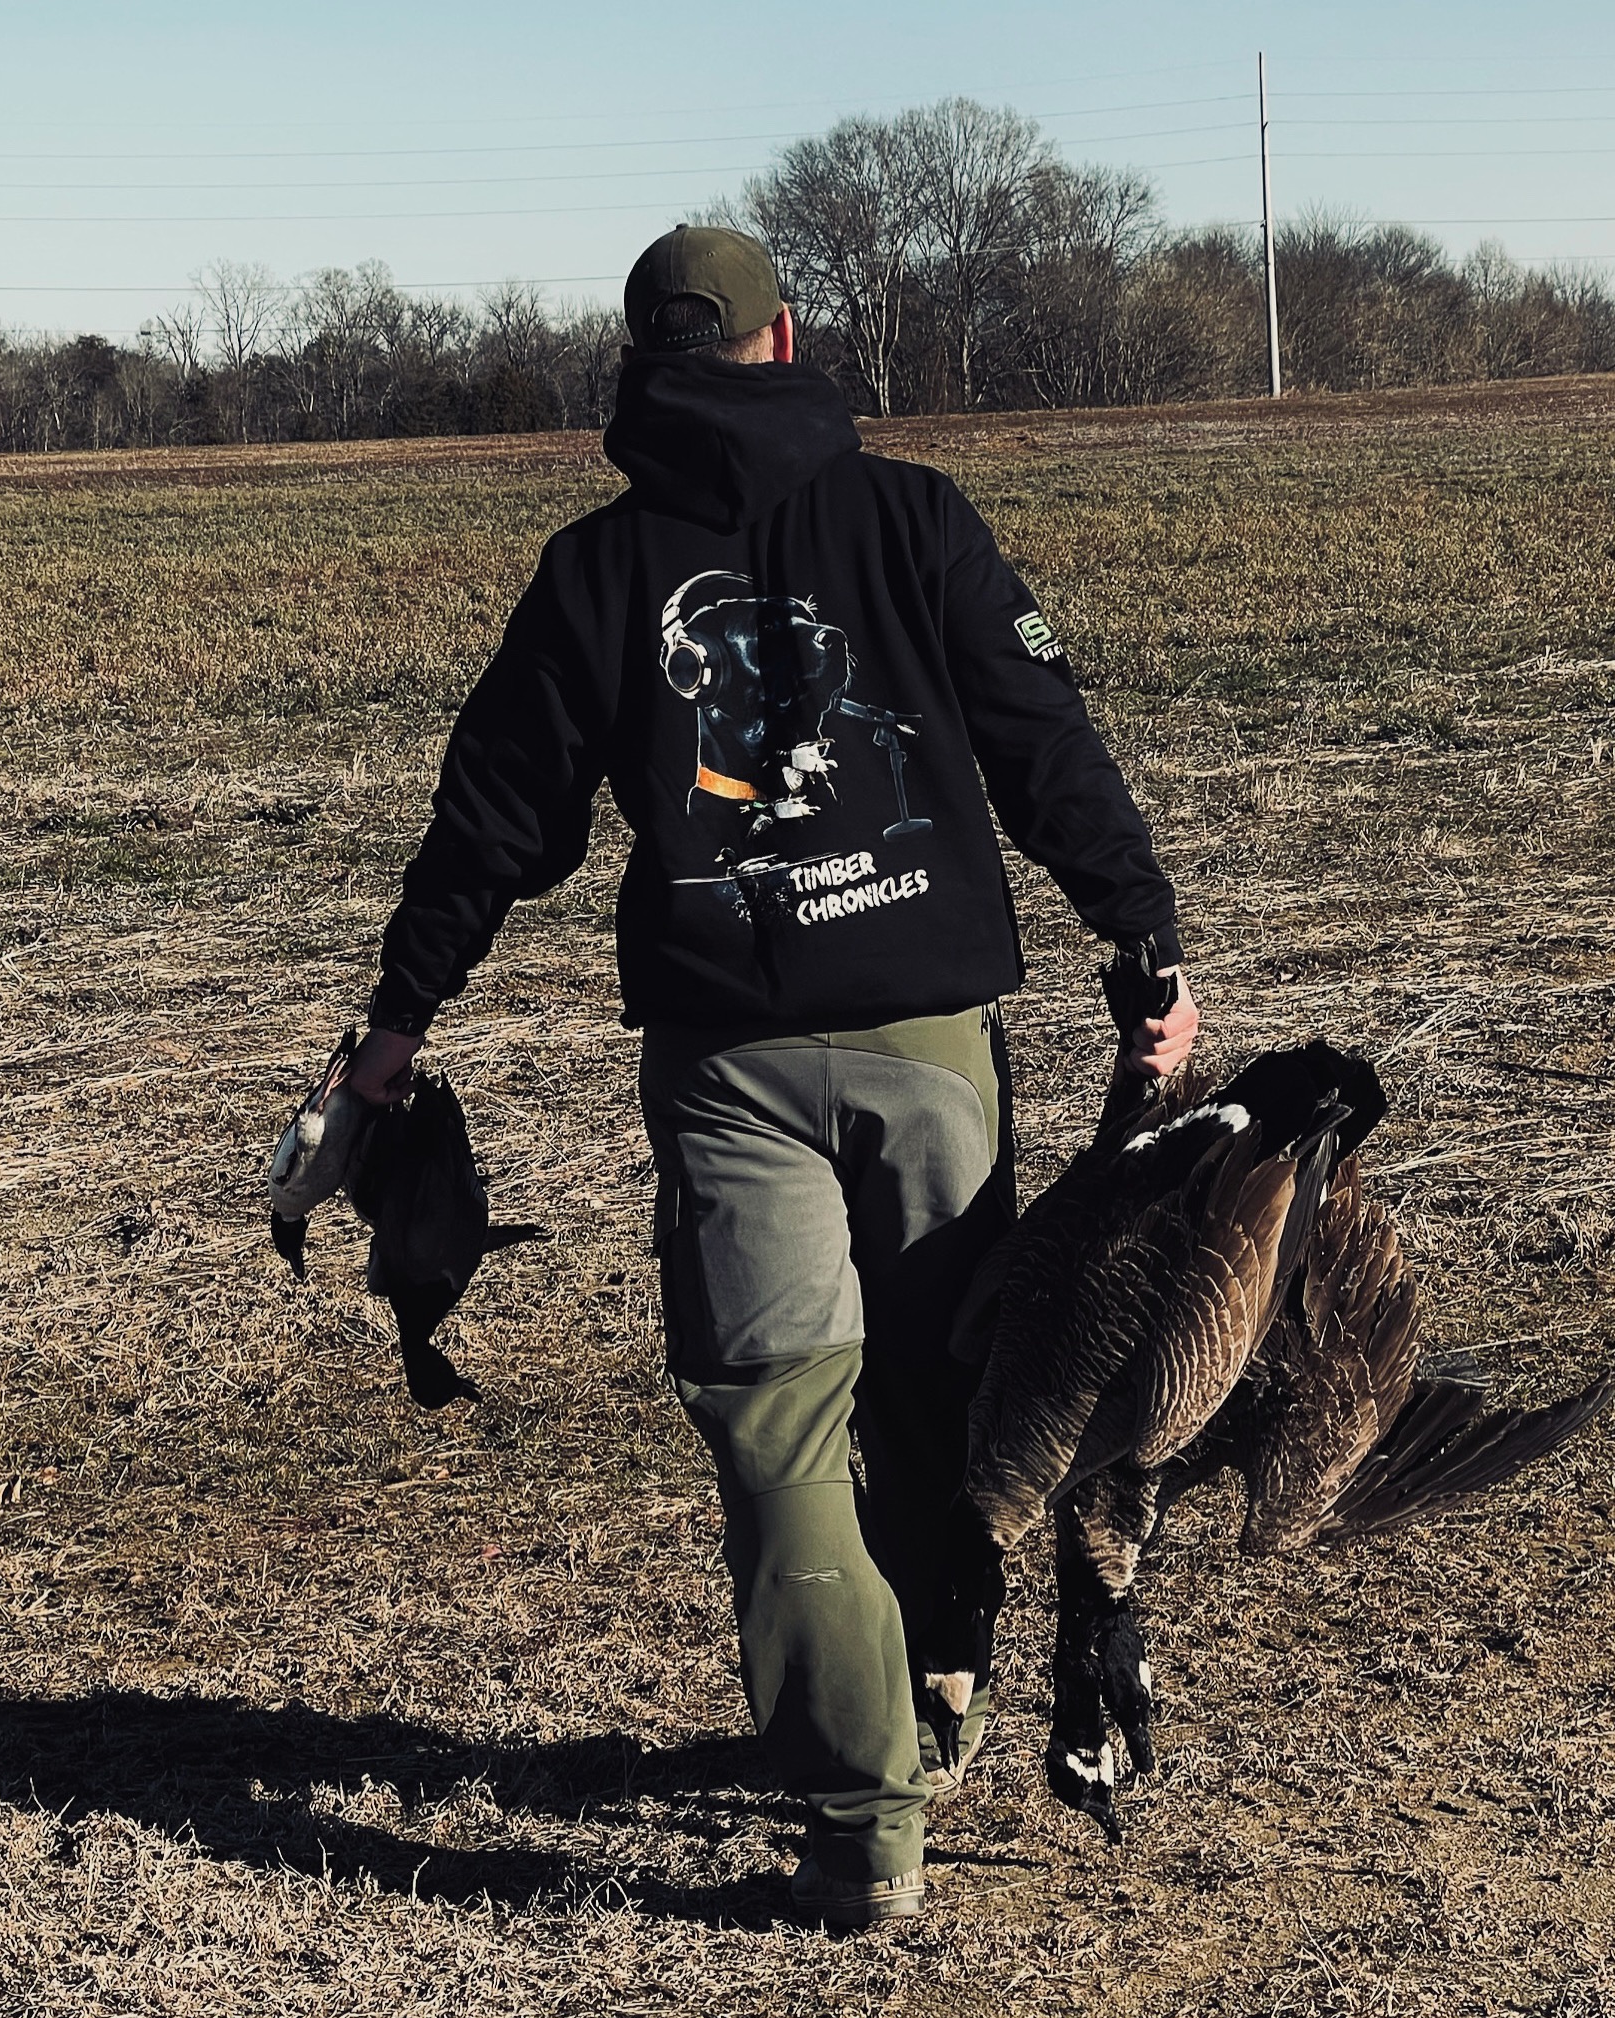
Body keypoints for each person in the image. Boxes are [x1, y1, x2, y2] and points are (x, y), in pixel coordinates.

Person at [348, 224, 1198, 1929]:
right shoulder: (915, 517)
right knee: (939, 1393)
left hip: (725, 1061)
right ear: (785, 337)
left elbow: (495, 816)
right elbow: (1040, 741)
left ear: (638, 362)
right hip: (930, 1048)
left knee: (777, 1425)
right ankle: (936, 1691)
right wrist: (1141, 938)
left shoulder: (595, 572)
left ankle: (864, 1824)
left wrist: (400, 1013)